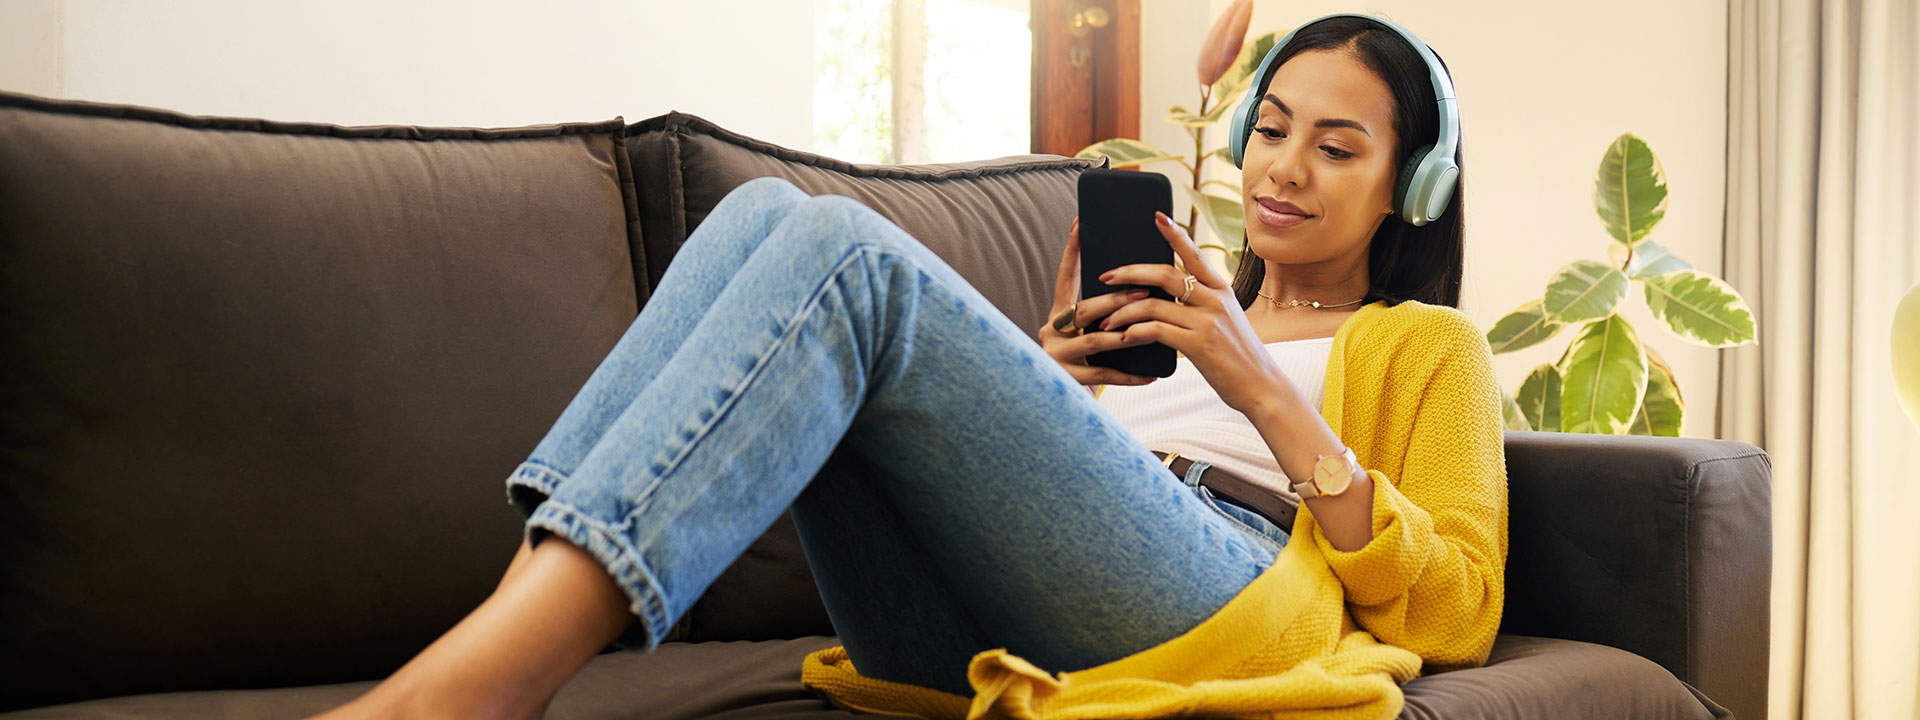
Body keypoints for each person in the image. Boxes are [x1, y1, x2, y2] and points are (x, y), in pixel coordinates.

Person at [315, 12, 1505, 720]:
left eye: (1336, 146)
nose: (1286, 166)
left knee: (843, 250)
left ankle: (473, 688)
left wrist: (1261, 392)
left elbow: (1459, 612)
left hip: (1244, 598)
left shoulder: (1422, 343)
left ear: (1414, 187)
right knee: (762, 216)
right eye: (1276, 128)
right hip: (995, 617)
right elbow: (1070, 496)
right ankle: (503, 635)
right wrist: (1058, 389)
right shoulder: (1185, 304)